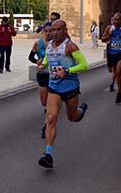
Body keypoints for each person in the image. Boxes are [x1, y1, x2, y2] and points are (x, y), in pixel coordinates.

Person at [37, 20, 89, 168]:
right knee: (51, 118)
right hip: (54, 87)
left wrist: (67, 71)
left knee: (72, 117)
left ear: (65, 30)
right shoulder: (48, 46)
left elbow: (84, 65)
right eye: (53, 30)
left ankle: (81, 111)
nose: (55, 33)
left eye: (58, 29)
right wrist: (42, 65)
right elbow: (48, 60)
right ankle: (48, 155)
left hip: (70, 87)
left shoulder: (70, 46)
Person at [28, 22, 53, 138]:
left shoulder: (57, 44)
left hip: (54, 76)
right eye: (46, 31)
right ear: (43, 32)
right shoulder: (38, 44)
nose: (48, 33)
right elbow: (30, 57)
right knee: (44, 102)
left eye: (50, 31)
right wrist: (36, 62)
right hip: (42, 74)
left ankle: (47, 125)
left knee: (50, 103)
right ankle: (49, 113)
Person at [102, 12, 121, 103]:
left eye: (118, 20)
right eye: (115, 20)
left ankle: (118, 92)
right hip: (112, 53)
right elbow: (103, 39)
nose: (116, 21)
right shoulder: (109, 28)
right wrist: (109, 35)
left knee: (118, 71)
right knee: (116, 72)